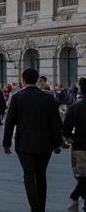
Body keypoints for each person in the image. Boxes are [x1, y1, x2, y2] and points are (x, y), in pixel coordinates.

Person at [4, 67, 64, 212]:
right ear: (37, 80)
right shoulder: (48, 97)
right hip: (45, 144)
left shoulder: (17, 97)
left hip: (24, 144)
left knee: (29, 174)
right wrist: (57, 144)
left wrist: (6, 143)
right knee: (41, 174)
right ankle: (41, 207)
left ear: (23, 79)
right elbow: (55, 122)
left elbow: (10, 121)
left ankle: (35, 207)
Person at [63, 77, 86, 211]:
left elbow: (65, 130)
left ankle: (75, 199)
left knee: (81, 175)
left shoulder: (74, 107)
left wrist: (73, 138)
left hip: (80, 146)